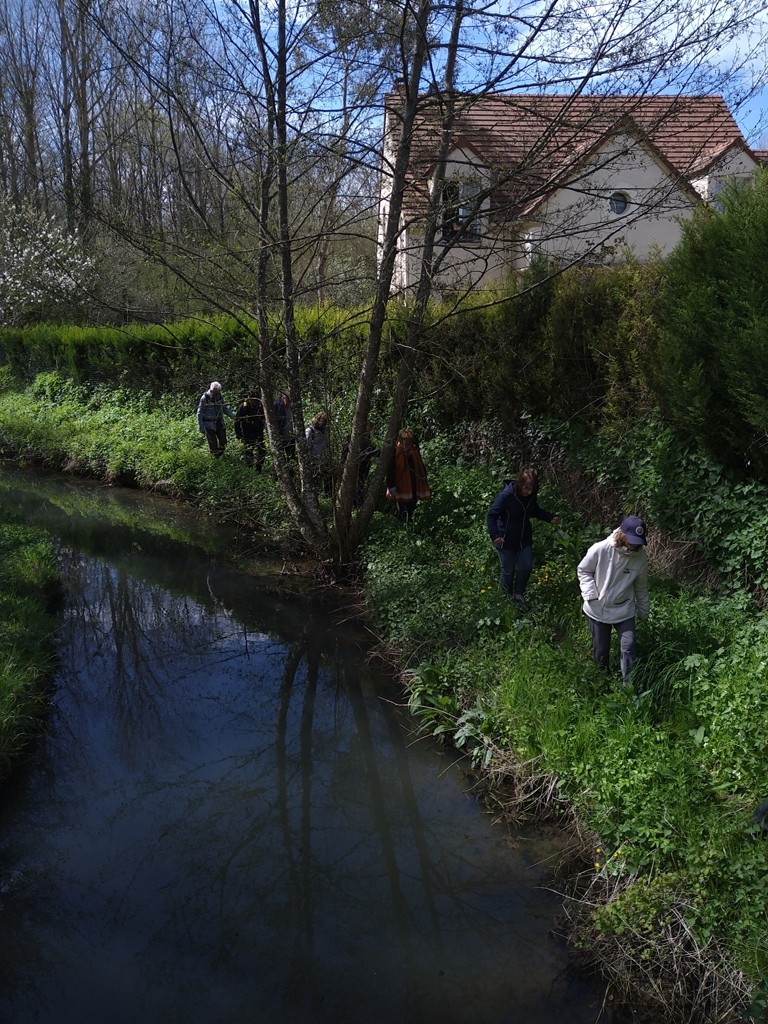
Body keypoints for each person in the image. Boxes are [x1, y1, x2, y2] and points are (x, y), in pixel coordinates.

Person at [577, 515, 650, 683]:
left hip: (624, 609)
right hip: (598, 608)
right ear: (622, 535)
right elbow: (583, 570)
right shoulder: (601, 549)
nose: (634, 545)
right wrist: (590, 595)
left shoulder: (640, 557)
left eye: (638, 542)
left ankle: (629, 686)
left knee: (629, 645)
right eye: (631, 540)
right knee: (601, 650)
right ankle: (601, 681)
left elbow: (641, 586)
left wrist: (643, 610)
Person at [486, 467, 558, 609]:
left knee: (526, 567)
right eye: (525, 489)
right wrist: (495, 536)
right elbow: (491, 516)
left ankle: (518, 594)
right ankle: (505, 599)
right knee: (508, 570)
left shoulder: (531, 496)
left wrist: (549, 517)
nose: (528, 492)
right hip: (505, 539)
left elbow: (534, 510)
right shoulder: (506, 496)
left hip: (523, 538)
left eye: (531, 490)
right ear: (519, 484)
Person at [386, 428, 431, 522]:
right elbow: (390, 470)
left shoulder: (414, 450)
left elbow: (420, 466)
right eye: (406, 440)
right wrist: (391, 486)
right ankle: (401, 527)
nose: (408, 443)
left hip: (413, 484)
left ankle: (410, 525)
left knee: (412, 507)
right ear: (400, 440)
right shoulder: (395, 451)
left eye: (410, 440)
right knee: (402, 510)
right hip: (400, 485)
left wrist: (424, 479)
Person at [342, 424, 379, 506]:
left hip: (364, 468)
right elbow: (346, 453)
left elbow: (373, 451)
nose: (368, 431)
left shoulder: (368, 440)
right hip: (354, 467)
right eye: (367, 429)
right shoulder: (352, 439)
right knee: (354, 487)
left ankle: (357, 504)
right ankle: (355, 504)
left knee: (360, 486)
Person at [197, 381, 234, 457]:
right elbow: (200, 413)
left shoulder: (220, 397)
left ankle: (221, 456)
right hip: (209, 424)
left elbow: (223, 407)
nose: (216, 394)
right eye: (214, 393)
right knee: (213, 444)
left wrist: (232, 415)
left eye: (217, 393)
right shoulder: (205, 398)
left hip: (219, 422)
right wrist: (201, 427)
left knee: (223, 442)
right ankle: (216, 459)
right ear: (211, 390)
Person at [234, 391, 266, 469]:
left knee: (262, 452)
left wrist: (263, 421)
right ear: (248, 399)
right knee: (249, 453)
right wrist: (239, 435)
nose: (253, 402)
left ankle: (258, 469)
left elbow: (264, 417)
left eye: (255, 400)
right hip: (247, 434)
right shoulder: (243, 407)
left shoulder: (259, 407)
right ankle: (250, 469)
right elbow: (237, 422)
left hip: (259, 433)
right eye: (252, 400)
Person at [305, 411, 330, 488]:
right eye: (324, 421)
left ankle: (328, 496)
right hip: (314, 461)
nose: (325, 423)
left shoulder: (325, 430)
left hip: (324, 459)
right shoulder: (310, 431)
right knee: (314, 482)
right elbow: (307, 447)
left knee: (328, 480)